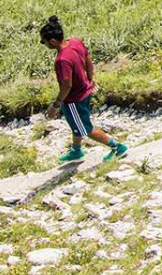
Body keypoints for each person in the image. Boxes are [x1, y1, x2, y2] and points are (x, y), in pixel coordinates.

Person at [39, 15, 126, 164]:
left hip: (74, 100)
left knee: (86, 128)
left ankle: (117, 147)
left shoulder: (62, 60)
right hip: (85, 91)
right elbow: (88, 58)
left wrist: (56, 105)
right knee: (76, 123)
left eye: (44, 42)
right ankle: (76, 150)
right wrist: (90, 78)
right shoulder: (75, 42)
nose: (44, 44)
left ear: (52, 41)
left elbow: (67, 85)